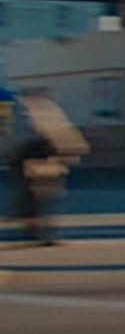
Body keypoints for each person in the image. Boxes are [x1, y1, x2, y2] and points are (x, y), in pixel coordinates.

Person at [10, 93, 88, 245]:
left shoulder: (21, 112)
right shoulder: (50, 110)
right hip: (50, 156)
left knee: (31, 192)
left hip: (30, 156)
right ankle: (48, 230)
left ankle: (32, 223)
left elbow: (15, 137)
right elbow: (65, 131)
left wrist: (9, 152)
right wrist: (75, 150)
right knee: (49, 194)